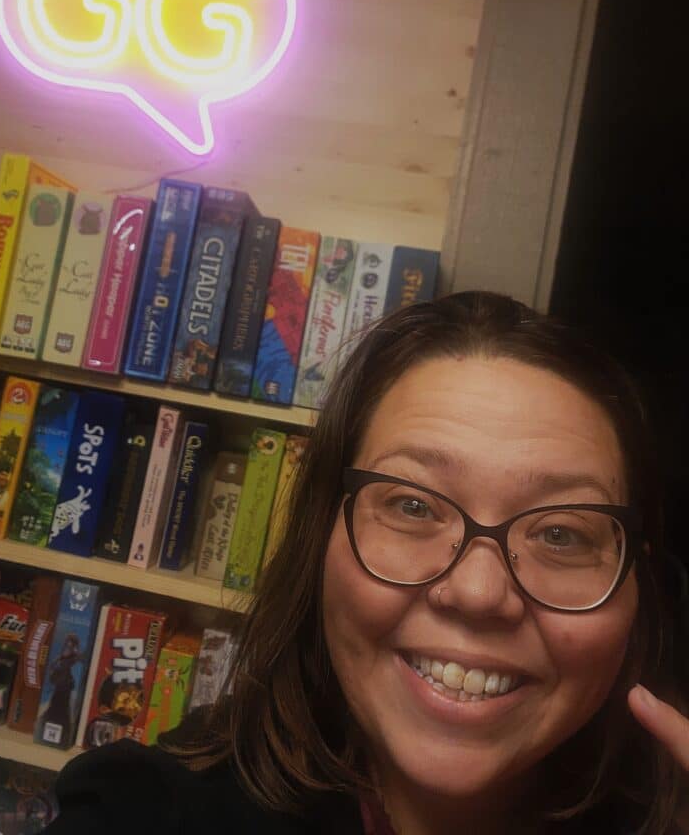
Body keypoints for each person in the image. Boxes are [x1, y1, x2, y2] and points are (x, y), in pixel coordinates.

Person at [45, 291, 688, 834]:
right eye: (412, 505)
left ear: (638, 589)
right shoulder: (150, 811)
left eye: (562, 534)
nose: (478, 590)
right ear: (321, 534)